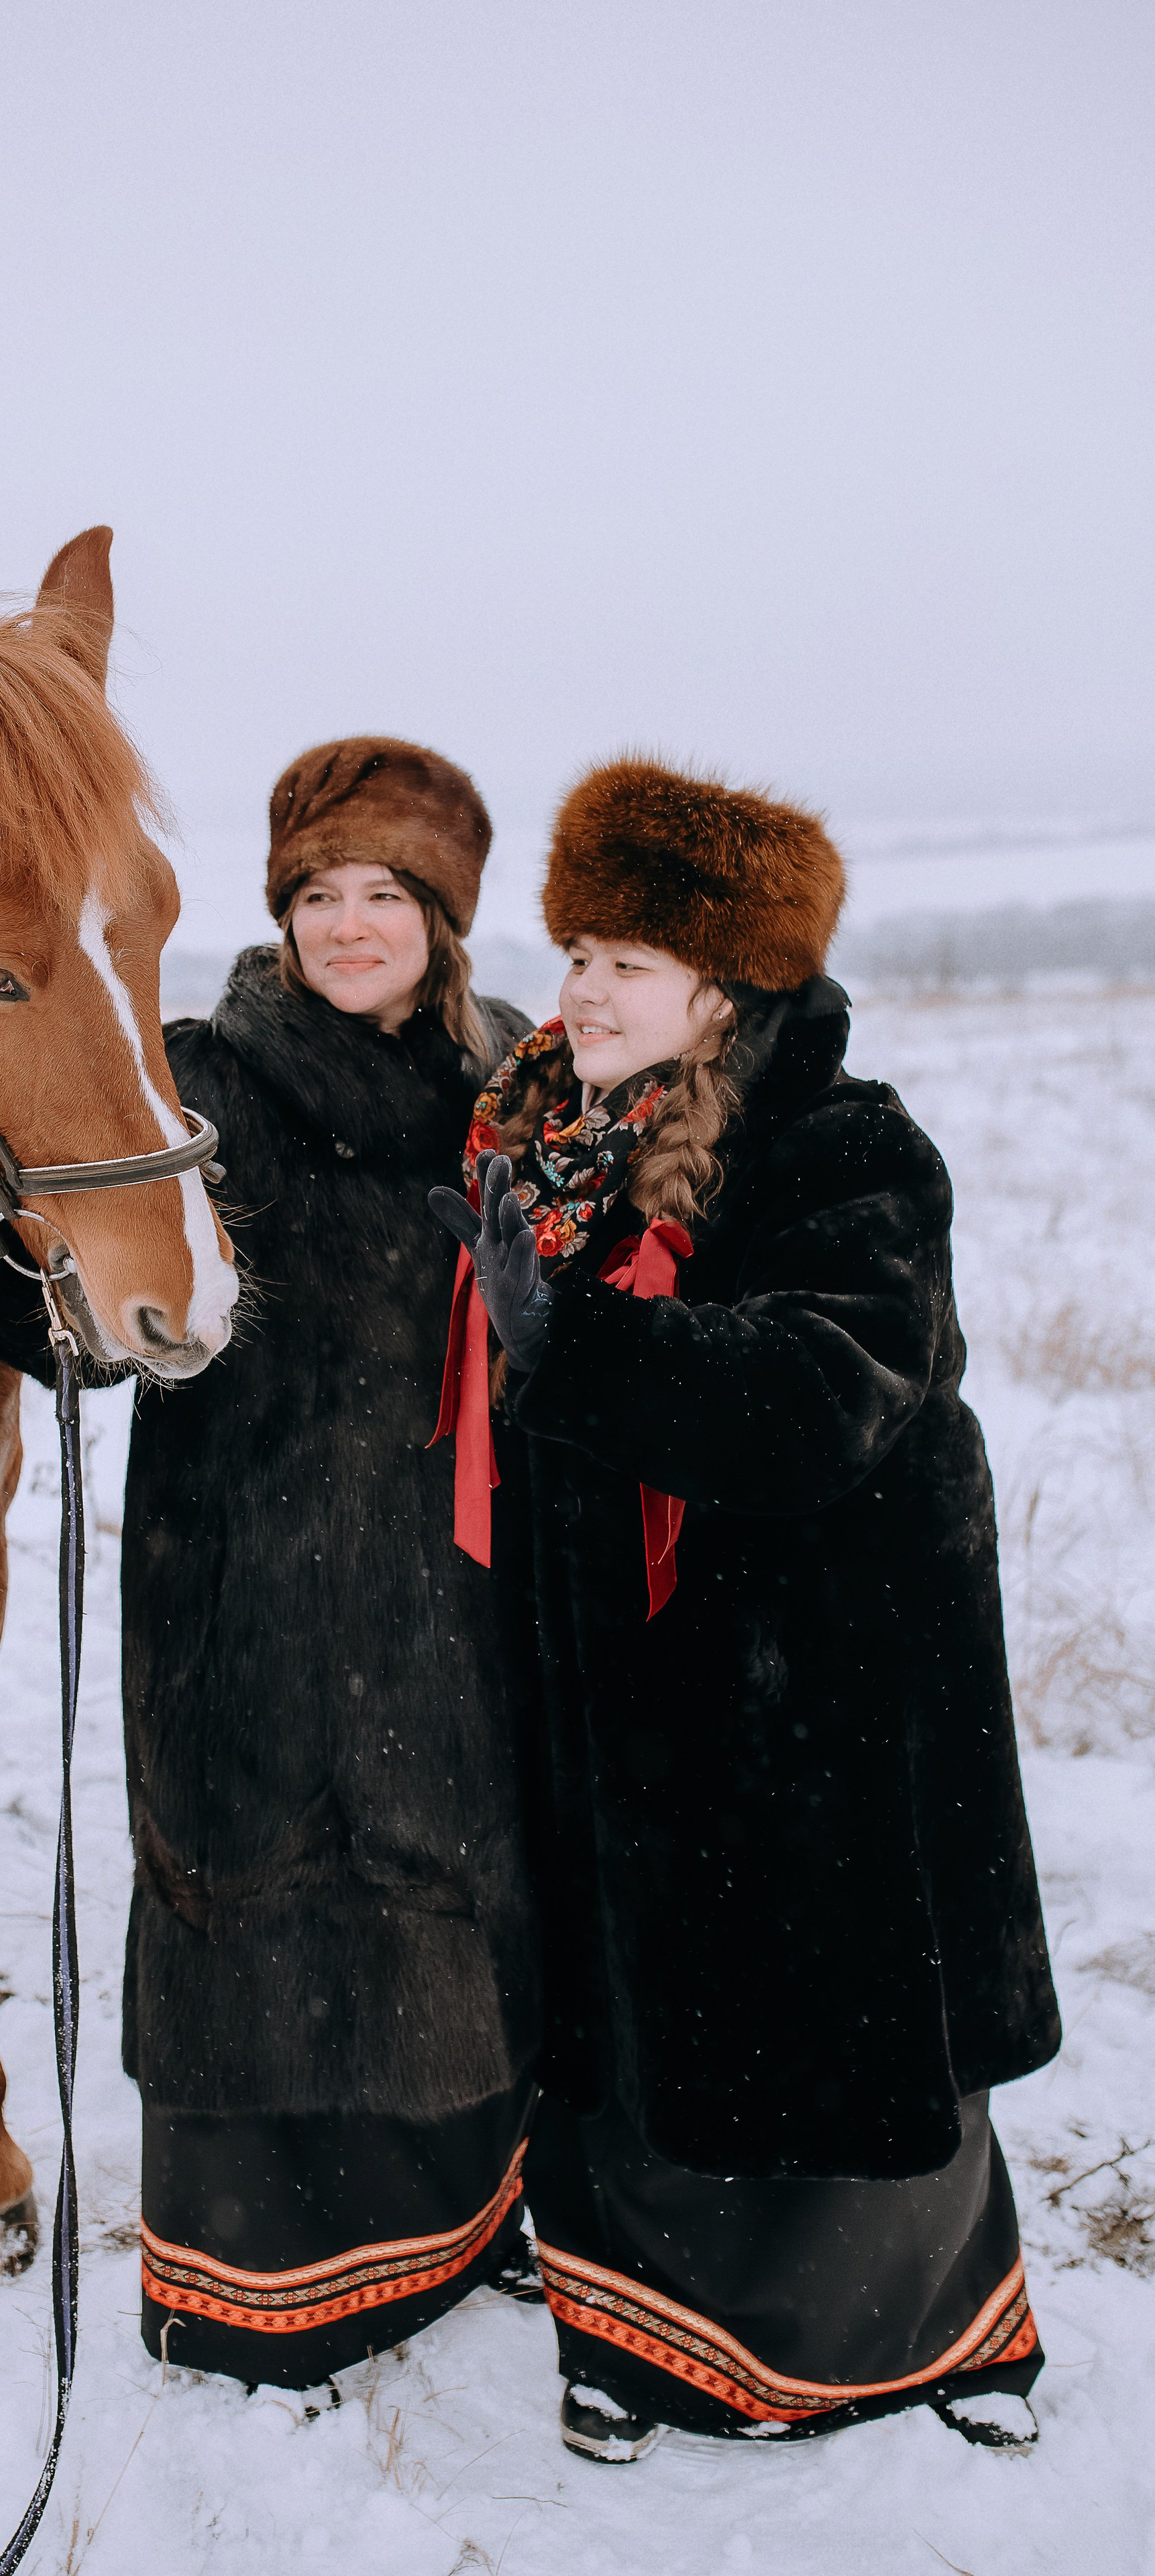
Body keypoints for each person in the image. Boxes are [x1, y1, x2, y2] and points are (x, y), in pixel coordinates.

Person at [431, 758, 1060, 2461]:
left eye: (624, 965)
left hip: (829, 1686)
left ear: (726, 987)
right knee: (641, 2023)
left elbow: (823, 1390)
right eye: (572, 955)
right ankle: (630, 2349)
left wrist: (583, 1344)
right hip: (624, 1685)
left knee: (854, 2024)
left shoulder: (847, 1146)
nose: (577, 993)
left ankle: (931, 2342)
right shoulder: (541, 1140)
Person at [0, 737, 541, 2386]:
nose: (348, 925)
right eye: (317, 895)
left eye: (385, 895)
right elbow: (56, 1296)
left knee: (453, 1888)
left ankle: (461, 2223)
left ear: (443, 918)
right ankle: (261, 2288)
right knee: (265, 1904)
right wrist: (47, 1287)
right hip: (251, 1590)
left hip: (459, 1590)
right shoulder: (195, 1080)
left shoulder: (512, 1084)